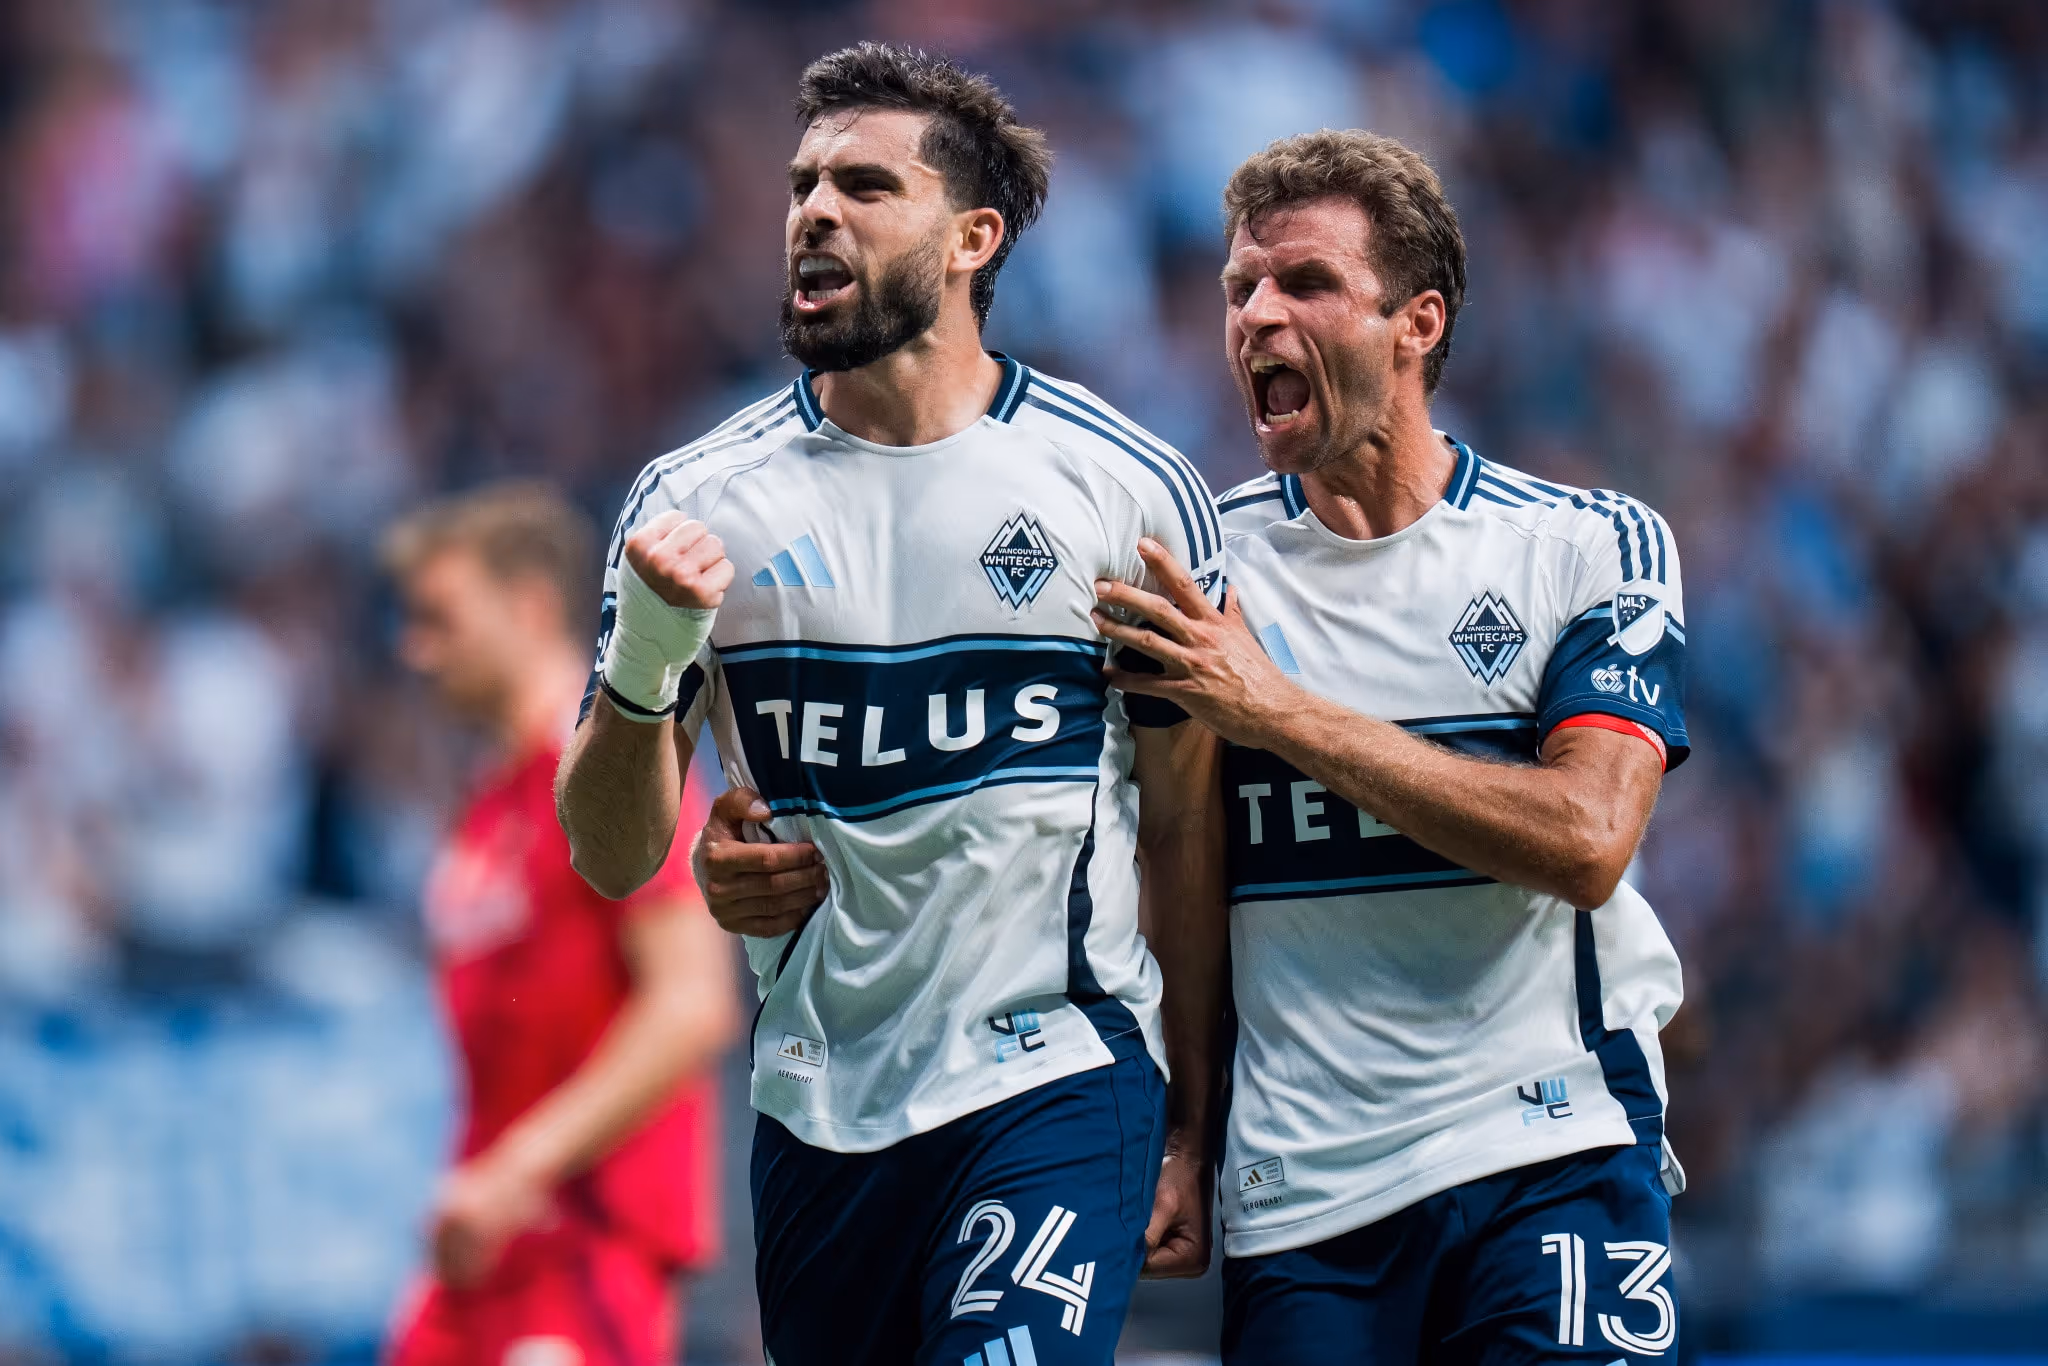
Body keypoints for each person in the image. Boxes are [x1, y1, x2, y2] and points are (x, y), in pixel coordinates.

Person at [553, 43, 1228, 1366]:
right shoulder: (696, 505)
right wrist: (646, 665)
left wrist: (1201, 1116)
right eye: (803, 185)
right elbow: (612, 849)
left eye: (865, 186)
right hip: (821, 1102)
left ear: (972, 237)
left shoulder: (1122, 488)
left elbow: (1187, 823)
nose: (813, 212)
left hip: (1056, 1069)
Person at [1087, 130, 1689, 1364]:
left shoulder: (1584, 549)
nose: (1255, 315)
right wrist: (1185, 1134)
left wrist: (1282, 715)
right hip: (1304, 1198)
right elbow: (1179, 869)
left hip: (1547, 1147)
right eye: (1237, 288)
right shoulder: (1205, 574)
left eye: (1302, 283)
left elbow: (1584, 839)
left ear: (1417, 322)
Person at [381, 483, 735, 1366]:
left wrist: (518, 1170)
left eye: (440, 619)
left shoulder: (610, 784)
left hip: (586, 1236)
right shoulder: (490, 803)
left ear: (530, 605)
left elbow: (691, 1004)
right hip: (488, 1244)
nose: (415, 650)